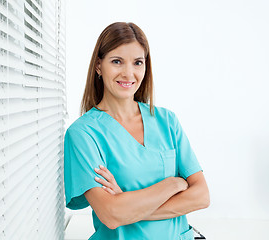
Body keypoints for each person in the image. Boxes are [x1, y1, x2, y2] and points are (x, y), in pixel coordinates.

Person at [64, 22, 210, 240]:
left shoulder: (166, 121)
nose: (128, 73)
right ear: (98, 66)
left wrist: (129, 207)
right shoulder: (84, 134)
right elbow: (112, 215)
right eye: (117, 61)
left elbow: (201, 196)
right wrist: (174, 184)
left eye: (137, 62)